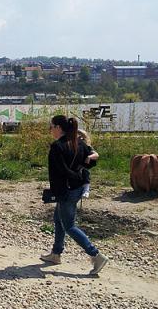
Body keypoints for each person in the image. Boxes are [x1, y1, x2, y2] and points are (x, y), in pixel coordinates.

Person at [40, 115, 108, 275]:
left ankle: (96, 255)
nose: (50, 130)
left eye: (51, 127)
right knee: (58, 219)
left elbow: (60, 170)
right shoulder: (79, 143)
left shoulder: (58, 147)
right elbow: (90, 163)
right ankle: (56, 254)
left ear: (58, 127)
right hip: (76, 188)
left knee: (69, 225)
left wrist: (62, 186)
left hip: (66, 191)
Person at [78, 129, 99, 198]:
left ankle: (86, 190)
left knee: (85, 171)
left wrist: (89, 157)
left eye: (82, 137)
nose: (80, 139)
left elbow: (96, 155)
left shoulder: (88, 147)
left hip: (83, 165)